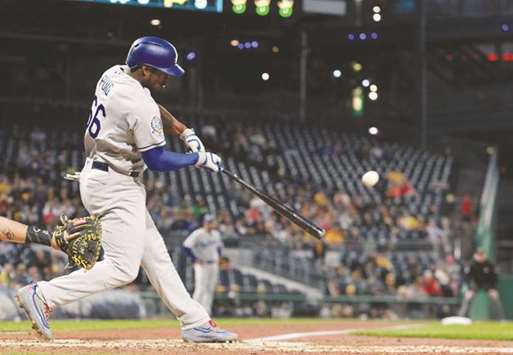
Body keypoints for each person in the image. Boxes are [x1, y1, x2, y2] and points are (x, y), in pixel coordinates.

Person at [16, 36, 238, 343]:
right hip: (114, 184)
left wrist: (184, 131)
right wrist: (196, 158)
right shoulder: (138, 103)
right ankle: (43, 293)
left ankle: (194, 320)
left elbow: (152, 104)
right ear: (145, 70)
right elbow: (157, 160)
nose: (166, 78)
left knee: (156, 254)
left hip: (108, 177)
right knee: (123, 269)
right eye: (161, 72)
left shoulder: (114, 73)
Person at [183, 214, 224, 315]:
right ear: (204, 223)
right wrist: (195, 259)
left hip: (213, 264)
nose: (210, 224)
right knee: (200, 288)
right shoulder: (198, 234)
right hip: (202, 264)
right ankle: (193, 313)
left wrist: (218, 258)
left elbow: (219, 247)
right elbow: (186, 246)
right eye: (208, 222)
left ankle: (206, 313)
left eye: (211, 222)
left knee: (210, 289)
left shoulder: (216, 234)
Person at [458, 249, 505, 320]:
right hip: (475, 285)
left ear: (485, 255)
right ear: (475, 256)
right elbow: (467, 278)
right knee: (468, 297)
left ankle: (501, 319)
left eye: (482, 255)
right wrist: (469, 288)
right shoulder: (471, 265)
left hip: (488, 285)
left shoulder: (490, 264)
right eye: (478, 255)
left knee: (495, 297)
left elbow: (494, 278)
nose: (480, 257)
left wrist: (493, 289)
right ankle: (462, 317)